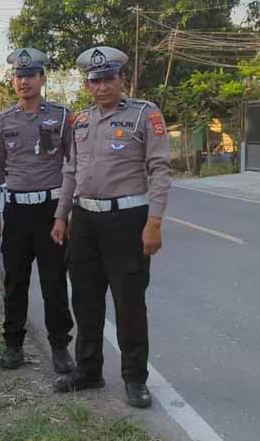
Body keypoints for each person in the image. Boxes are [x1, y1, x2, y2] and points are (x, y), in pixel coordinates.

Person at [50, 46, 170, 408]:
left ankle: (135, 379)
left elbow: (160, 169)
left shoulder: (144, 114)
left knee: (129, 302)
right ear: (87, 85)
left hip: (127, 221)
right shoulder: (81, 121)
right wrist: (61, 216)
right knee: (85, 300)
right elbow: (70, 172)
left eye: (108, 79)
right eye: (95, 81)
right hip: (85, 220)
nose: (102, 87)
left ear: (122, 80)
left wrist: (154, 221)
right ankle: (89, 371)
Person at [0, 48, 75, 374]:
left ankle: (60, 347)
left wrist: (65, 214)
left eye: (31, 75)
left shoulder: (62, 117)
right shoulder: (3, 121)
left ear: (42, 78)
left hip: (51, 212)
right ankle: (13, 345)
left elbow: (74, 166)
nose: (25, 82)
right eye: (19, 76)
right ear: (13, 81)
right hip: (17, 211)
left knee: (54, 283)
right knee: (15, 282)